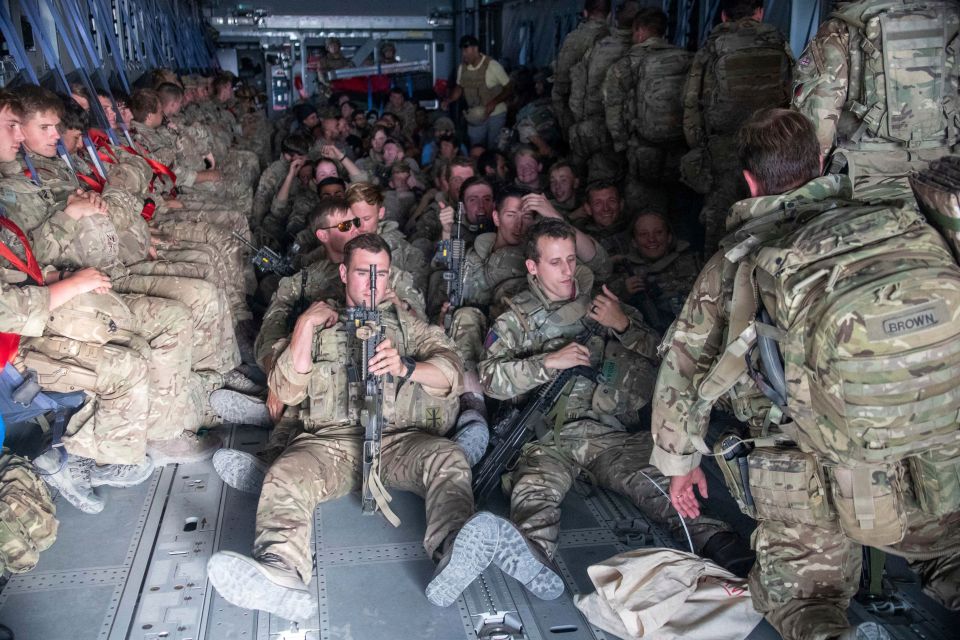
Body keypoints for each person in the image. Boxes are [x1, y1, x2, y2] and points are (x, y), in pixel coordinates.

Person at [652, 108, 960, 640]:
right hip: (933, 441)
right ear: (820, 162)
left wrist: (679, 463)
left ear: (750, 180)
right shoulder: (904, 218)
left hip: (803, 467)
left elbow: (685, 366)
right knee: (949, 554)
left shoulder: (736, 263)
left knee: (803, 600)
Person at [207, 234, 500, 619]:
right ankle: (281, 570)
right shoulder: (318, 323)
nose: (373, 284)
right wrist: (304, 328)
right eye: (364, 273)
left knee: (448, 458)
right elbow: (285, 389)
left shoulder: (407, 326)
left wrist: (406, 367)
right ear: (344, 273)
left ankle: (454, 550)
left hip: (400, 441)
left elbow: (450, 372)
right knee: (285, 472)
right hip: (331, 444)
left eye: (381, 274)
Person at [479, 218, 751, 600]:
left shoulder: (601, 304)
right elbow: (490, 378)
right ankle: (532, 560)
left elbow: (665, 357)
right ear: (532, 267)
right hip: (548, 439)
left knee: (655, 483)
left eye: (571, 260)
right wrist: (549, 362)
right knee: (534, 494)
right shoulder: (514, 319)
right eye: (555, 262)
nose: (567, 271)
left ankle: (720, 543)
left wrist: (622, 324)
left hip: (609, 434)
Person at [792, 0, 959, 198]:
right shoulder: (954, 16)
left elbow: (817, 125)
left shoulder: (842, 27)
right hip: (948, 181)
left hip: (865, 183)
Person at [681, 0, 792, 255]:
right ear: (760, 13)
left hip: (724, 144)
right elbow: (792, 91)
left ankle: (716, 275)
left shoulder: (713, 46)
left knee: (721, 214)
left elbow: (690, 99)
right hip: (770, 142)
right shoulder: (778, 42)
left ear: (722, 15)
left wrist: (698, 147)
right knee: (767, 213)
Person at [602, 8, 691, 213]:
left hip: (642, 149)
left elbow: (612, 108)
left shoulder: (626, 63)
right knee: (679, 206)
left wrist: (622, 145)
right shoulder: (685, 58)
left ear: (640, 31)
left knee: (642, 209)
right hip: (679, 149)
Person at [567, 1, 639, 184]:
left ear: (613, 18)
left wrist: (580, 127)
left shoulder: (598, 48)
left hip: (600, 130)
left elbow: (574, 90)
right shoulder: (652, 54)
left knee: (601, 186)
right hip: (640, 138)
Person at [607, 211, 701, 334]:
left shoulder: (694, 263)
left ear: (669, 237)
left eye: (658, 232)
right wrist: (623, 292)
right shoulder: (623, 271)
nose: (652, 239)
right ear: (634, 242)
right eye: (643, 234)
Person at [552, 0, 611, 138]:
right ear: (610, 15)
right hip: (609, 112)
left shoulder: (574, 38)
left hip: (581, 111)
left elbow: (562, 79)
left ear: (585, 13)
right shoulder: (618, 38)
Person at [444, 35, 512, 149]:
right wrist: (449, 100)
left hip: (495, 114)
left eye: (466, 50)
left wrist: (494, 102)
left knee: (494, 148)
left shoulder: (492, 65)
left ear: (475, 49)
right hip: (475, 115)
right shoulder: (462, 68)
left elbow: (509, 87)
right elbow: (460, 87)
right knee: (475, 147)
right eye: (462, 51)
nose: (463, 54)